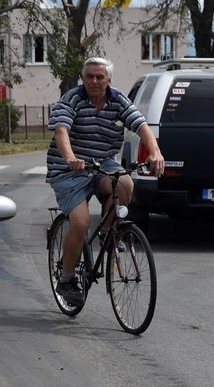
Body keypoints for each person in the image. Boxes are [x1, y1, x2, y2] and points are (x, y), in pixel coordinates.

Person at [46, 56, 164, 307]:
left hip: (102, 163)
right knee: (79, 222)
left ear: (109, 80)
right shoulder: (73, 98)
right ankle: (67, 279)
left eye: (100, 77)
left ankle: (107, 233)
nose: (95, 81)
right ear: (83, 79)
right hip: (69, 169)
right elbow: (61, 131)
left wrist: (155, 151)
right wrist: (70, 158)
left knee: (125, 184)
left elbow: (140, 125)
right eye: (90, 76)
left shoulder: (118, 98)